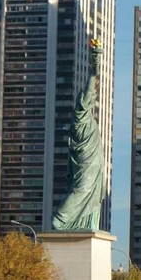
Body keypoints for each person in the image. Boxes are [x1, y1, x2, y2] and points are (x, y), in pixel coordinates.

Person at [52, 39, 106, 231]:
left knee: (88, 191)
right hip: (86, 160)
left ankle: (85, 221)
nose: (92, 98)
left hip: (92, 160)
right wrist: (95, 66)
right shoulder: (81, 115)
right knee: (82, 189)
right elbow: (89, 90)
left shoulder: (85, 118)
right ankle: (60, 219)